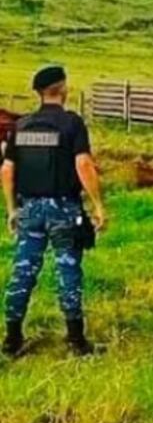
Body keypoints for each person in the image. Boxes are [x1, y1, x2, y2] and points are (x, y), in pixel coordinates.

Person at [2, 66, 107, 358]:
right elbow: (83, 164)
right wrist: (98, 205)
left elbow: (7, 169)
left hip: (29, 209)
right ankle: (76, 341)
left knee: (23, 271)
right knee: (68, 270)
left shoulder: (20, 127)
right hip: (64, 209)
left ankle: (12, 340)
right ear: (63, 89)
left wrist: (12, 209)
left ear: (38, 92)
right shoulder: (71, 124)